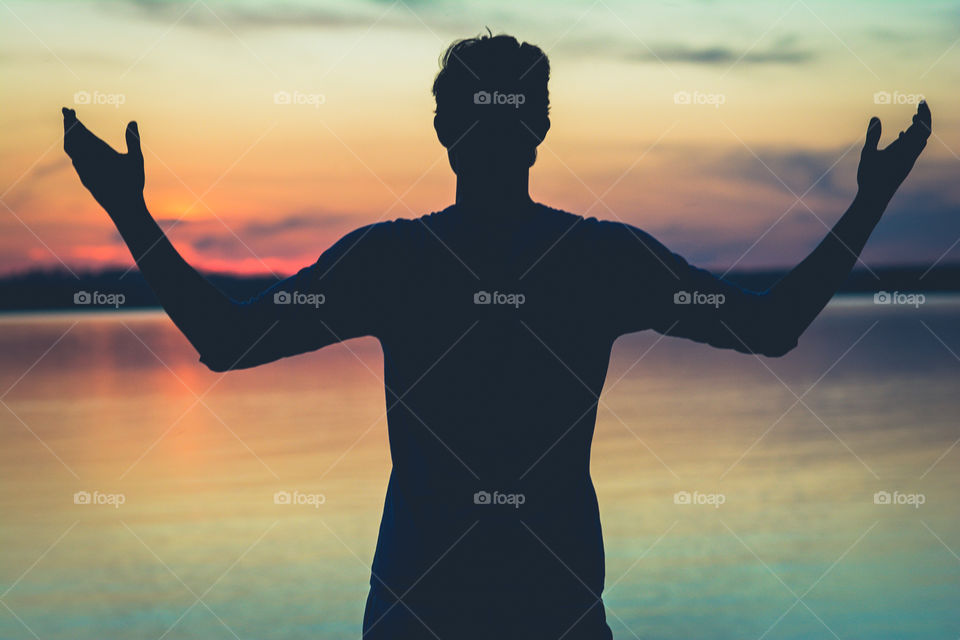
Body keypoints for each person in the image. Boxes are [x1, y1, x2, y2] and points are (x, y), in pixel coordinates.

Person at [63, 32, 931, 640]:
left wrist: (128, 210)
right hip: (550, 611)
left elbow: (224, 338)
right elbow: (771, 326)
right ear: (539, 128)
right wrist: (869, 203)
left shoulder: (392, 261)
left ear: (445, 130)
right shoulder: (600, 260)